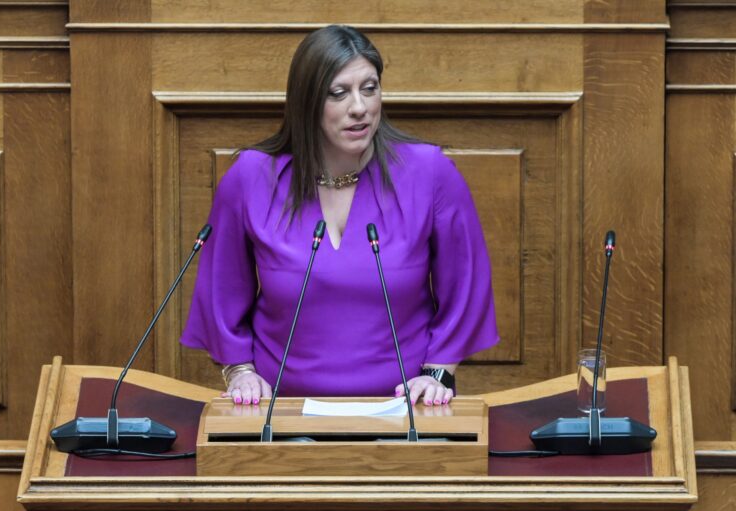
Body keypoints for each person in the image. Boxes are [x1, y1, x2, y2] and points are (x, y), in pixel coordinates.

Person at [180, 25, 498, 408]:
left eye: (370, 88)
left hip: (406, 411)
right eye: (339, 93)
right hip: (280, 413)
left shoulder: (429, 173)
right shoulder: (251, 178)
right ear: (307, 101)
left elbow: (466, 286)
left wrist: (437, 374)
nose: (359, 107)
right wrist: (240, 371)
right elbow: (221, 291)